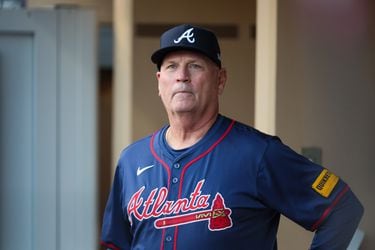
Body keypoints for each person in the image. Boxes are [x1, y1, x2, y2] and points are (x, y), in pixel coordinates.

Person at [101, 24, 364, 250]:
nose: (182, 76)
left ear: (220, 80)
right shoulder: (132, 159)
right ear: (159, 82)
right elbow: (116, 243)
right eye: (171, 67)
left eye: (195, 66)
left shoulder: (258, 153)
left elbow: (342, 210)